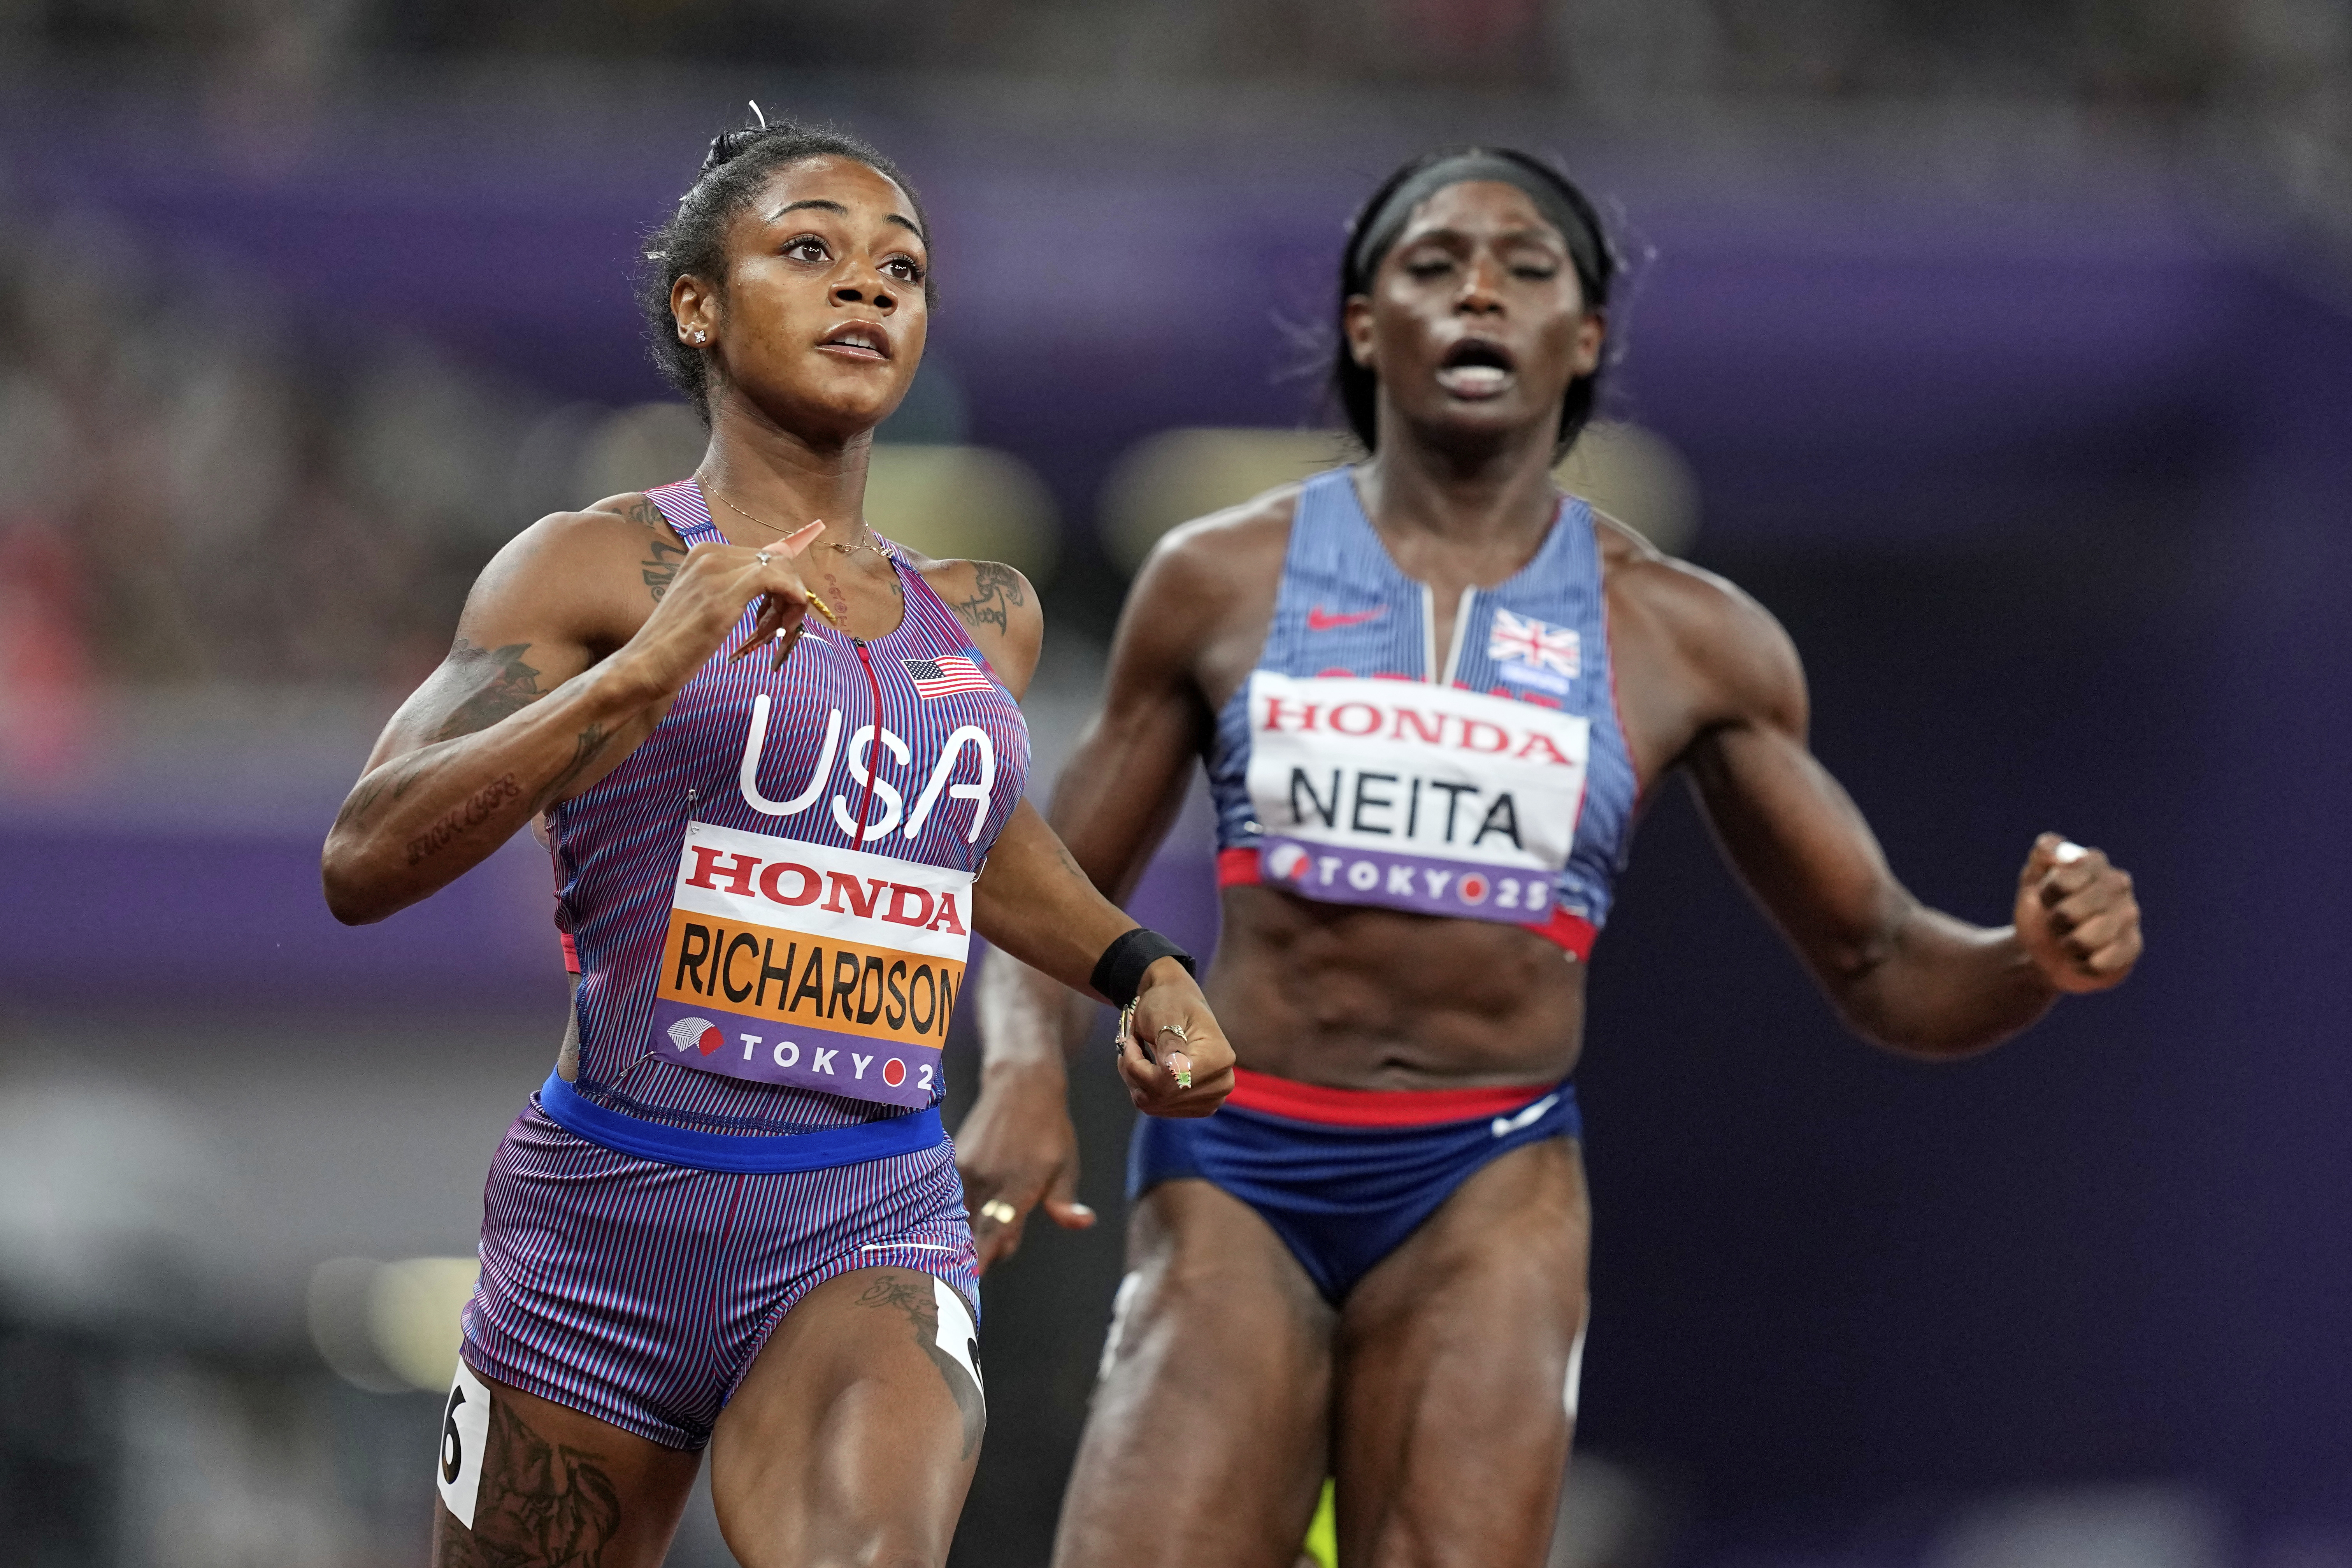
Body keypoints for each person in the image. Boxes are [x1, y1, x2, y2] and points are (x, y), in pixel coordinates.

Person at [959, 146, 2143, 1568]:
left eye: (1526, 270)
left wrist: (2027, 962)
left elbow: (1880, 958)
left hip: (1488, 1179)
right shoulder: (1222, 580)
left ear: (1582, 340)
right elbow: (1044, 898)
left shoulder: (1684, 635)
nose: (1478, 292)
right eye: (1431, 264)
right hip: (1240, 1161)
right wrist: (1027, 1076)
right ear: (1362, 324)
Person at [320, 112, 1233, 1568]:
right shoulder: (597, 564)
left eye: (901, 270)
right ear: (699, 304)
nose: (865, 290)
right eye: (809, 252)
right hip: (603, 1222)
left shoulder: (983, 616)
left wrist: (1139, 966)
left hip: (865, 1213)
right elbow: (365, 859)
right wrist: (639, 671)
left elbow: (974, 840)